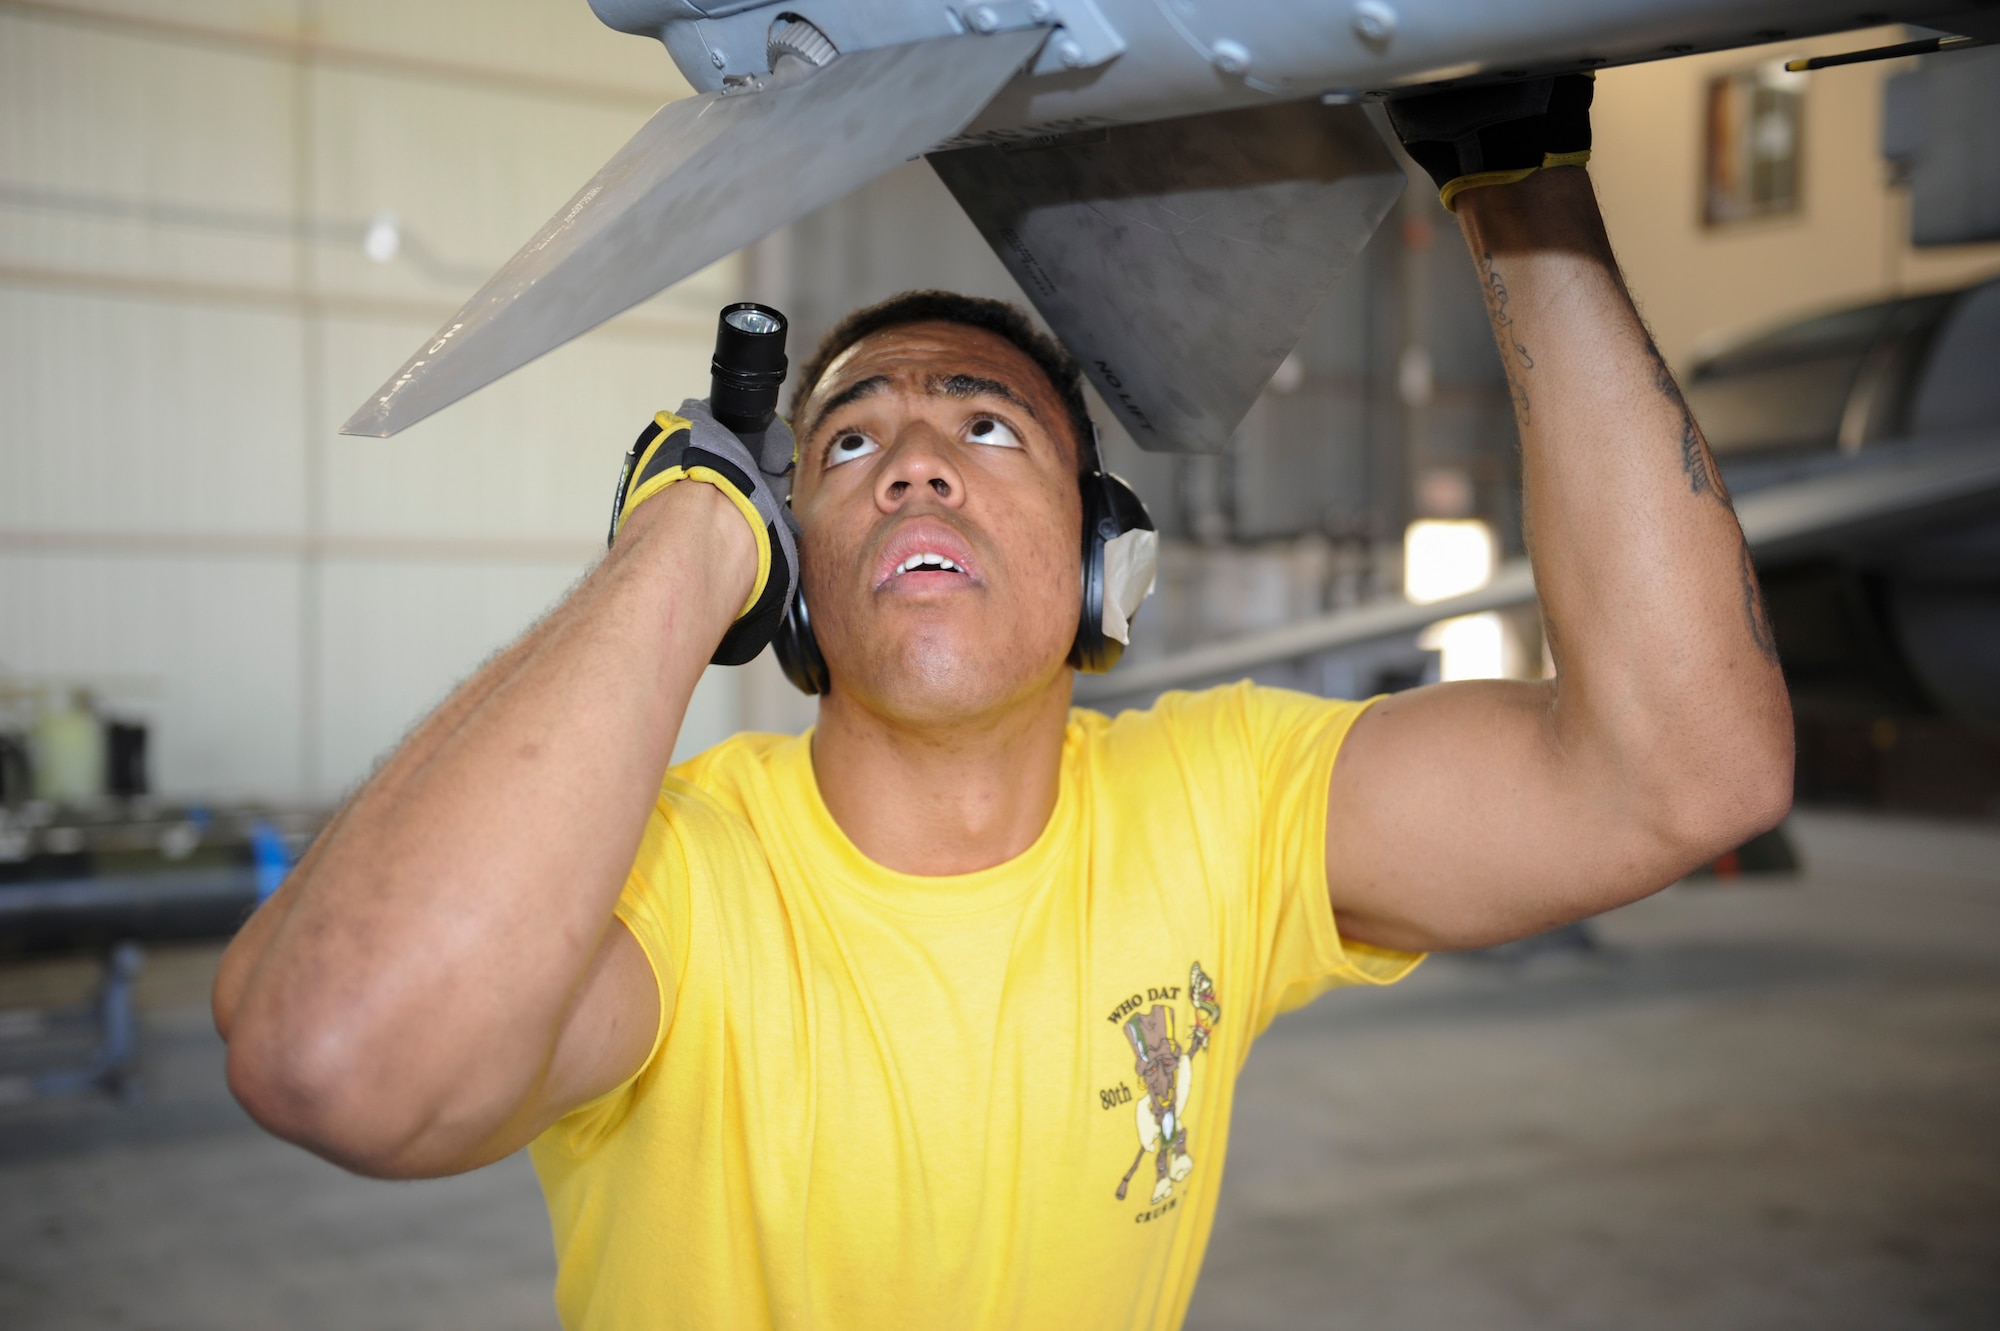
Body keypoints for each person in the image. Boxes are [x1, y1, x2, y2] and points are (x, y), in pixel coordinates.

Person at [213, 77, 1792, 1330]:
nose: (914, 461)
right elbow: (343, 1059)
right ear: (793, 581)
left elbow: (1684, 773)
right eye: (846, 444)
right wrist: (680, 542)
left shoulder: (1226, 807)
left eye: (986, 428)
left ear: (1106, 563)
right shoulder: (672, 880)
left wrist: (1516, 179)